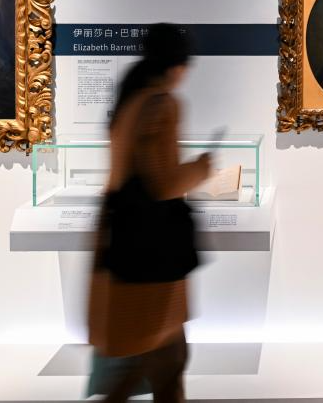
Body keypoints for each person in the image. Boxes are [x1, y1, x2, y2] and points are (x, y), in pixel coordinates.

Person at [88, 24, 211, 402]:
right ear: (177, 65)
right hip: (153, 246)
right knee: (161, 357)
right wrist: (201, 168)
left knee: (158, 356)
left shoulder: (130, 100)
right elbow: (162, 183)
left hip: (124, 237)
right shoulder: (162, 104)